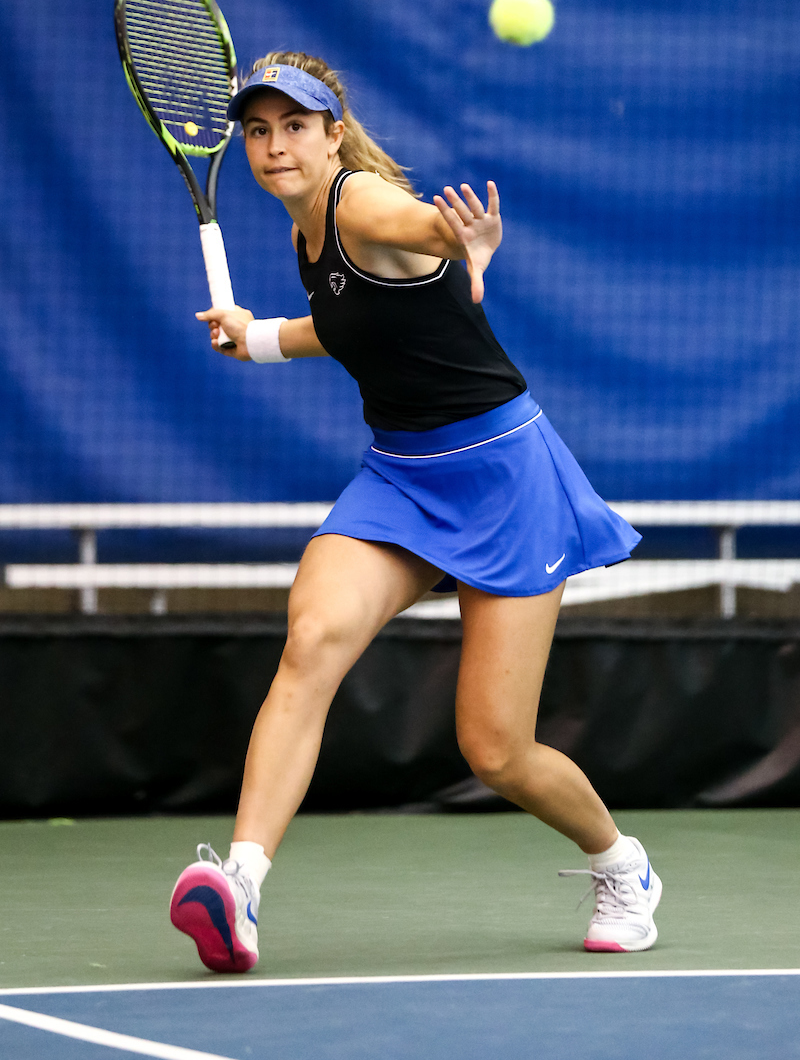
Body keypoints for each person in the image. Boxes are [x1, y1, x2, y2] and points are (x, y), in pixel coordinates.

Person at [169, 53, 661, 973]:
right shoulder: (303, 231)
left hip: (505, 478)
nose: (276, 146)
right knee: (312, 640)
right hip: (401, 475)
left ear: (333, 132)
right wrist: (263, 338)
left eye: (296, 128)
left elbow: (415, 226)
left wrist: (456, 239)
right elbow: (352, 325)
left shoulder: (356, 204)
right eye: (260, 130)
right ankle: (238, 885)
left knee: (497, 750)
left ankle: (622, 865)